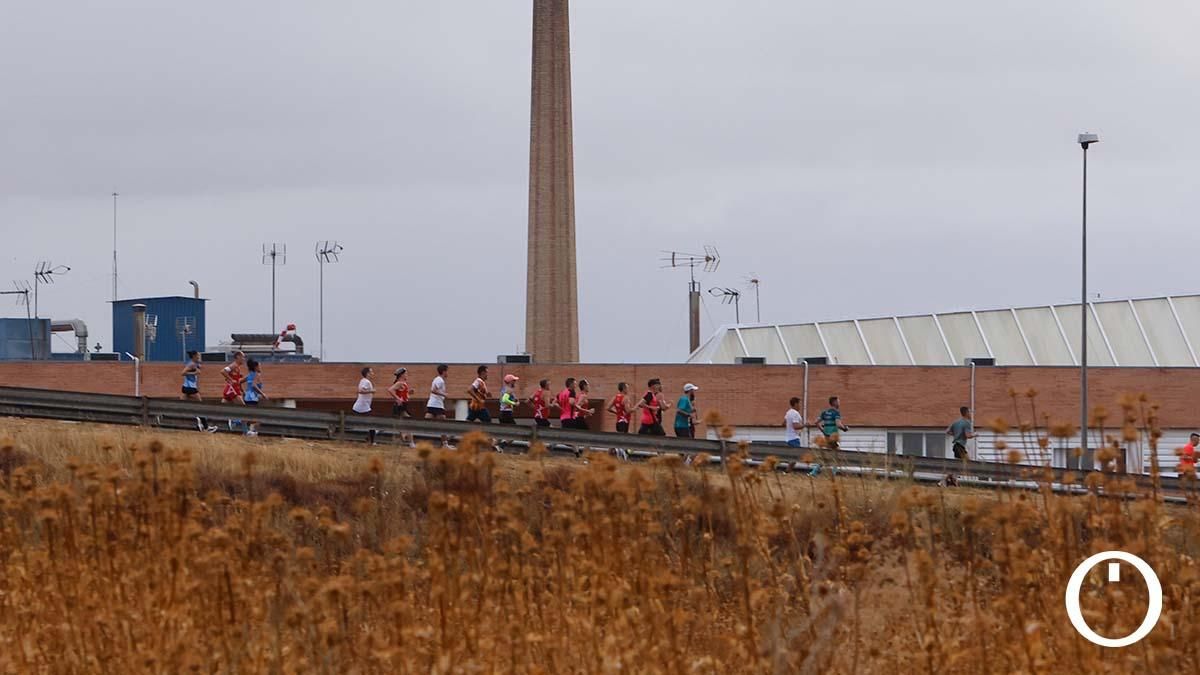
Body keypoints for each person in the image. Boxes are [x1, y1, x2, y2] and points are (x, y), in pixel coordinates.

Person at [183, 351, 217, 433]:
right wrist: (195, 372)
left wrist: (198, 368)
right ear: (194, 356)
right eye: (198, 356)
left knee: (182, 405)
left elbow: (198, 367)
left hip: (186, 387)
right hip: (190, 388)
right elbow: (183, 373)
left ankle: (198, 421)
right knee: (201, 406)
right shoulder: (191, 364)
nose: (199, 358)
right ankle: (206, 427)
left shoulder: (194, 364)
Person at [387, 368, 415, 447]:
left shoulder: (403, 383)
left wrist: (409, 393)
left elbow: (403, 395)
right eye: (406, 373)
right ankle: (410, 442)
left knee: (401, 424)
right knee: (408, 422)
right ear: (402, 375)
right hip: (400, 406)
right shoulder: (399, 383)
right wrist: (397, 398)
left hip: (404, 405)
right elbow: (390, 390)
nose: (407, 375)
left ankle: (405, 437)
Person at [221, 351, 247, 431]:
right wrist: (231, 380)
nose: (244, 359)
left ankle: (230, 422)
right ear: (238, 357)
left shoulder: (237, 367)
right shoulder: (234, 365)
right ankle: (242, 428)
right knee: (244, 410)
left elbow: (237, 380)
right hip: (232, 390)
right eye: (243, 357)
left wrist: (242, 390)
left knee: (222, 407)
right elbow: (223, 371)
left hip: (231, 389)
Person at [353, 367, 378, 445]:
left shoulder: (363, 381)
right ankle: (372, 441)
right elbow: (361, 391)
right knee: (373, 423)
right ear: (367, 373)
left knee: (370, 423)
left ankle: (369, 439)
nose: (373, 373)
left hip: (361, 406)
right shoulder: (366, 382)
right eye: (371, 372)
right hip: (363, 407)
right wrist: (372, 391)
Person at [242, 359, 267, 437]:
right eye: (259, 366)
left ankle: (247, 431)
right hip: (252, 398)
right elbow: (254, 385)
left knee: (248, 415)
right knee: (257, 417)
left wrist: (243, 391)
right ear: (256, 367)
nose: (260, 367)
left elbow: (239, 382)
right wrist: (263, 394)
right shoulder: (256, 375)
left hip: (248, 397)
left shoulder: (249, 375)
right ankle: (248, 432)